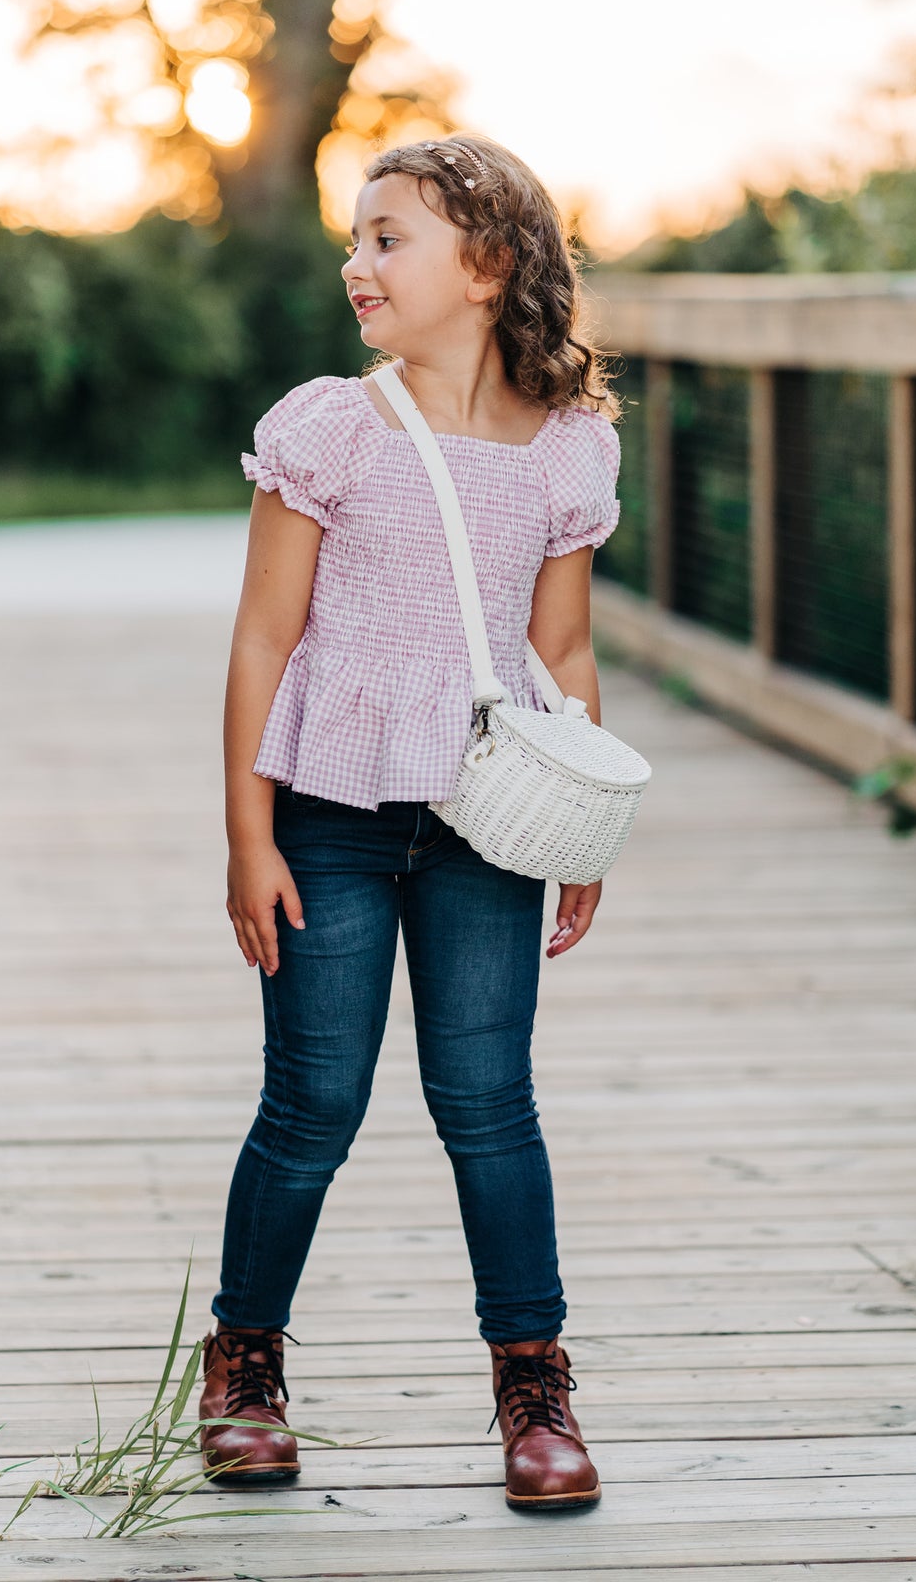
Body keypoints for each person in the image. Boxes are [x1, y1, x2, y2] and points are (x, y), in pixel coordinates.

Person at [199, 134, 622, 1512]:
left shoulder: (566, 450)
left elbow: (562, 647)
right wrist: (249, 838)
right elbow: (265, 641)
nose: (356, 262)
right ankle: (245, 1360)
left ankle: (533, 1382)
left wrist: (583, 824)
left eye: (391, 238)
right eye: (355, 238)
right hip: (327, 810)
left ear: (488, 267)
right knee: (313, 1100)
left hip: (489, 820)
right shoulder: (330, 427)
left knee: (490, 1102)